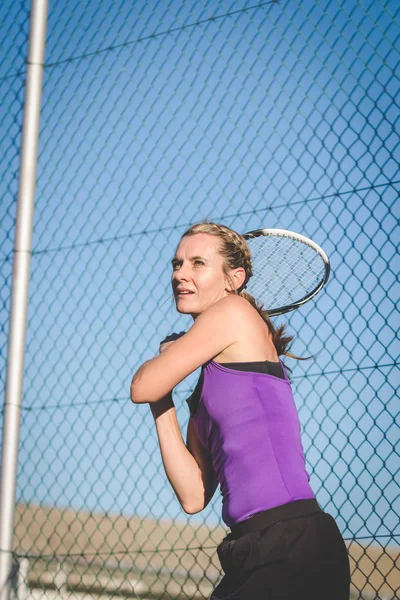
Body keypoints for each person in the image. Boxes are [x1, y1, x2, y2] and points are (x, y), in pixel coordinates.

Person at [130, 221, 350, 599]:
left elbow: (142, 383)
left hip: (294, 544)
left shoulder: (233, 311)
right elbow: (193, 495)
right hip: (254, 547)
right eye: (176, 263)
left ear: (234, 278)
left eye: (197, 263)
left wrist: (163, 369)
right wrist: (163, 397)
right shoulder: (208, 390)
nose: (179, 273)